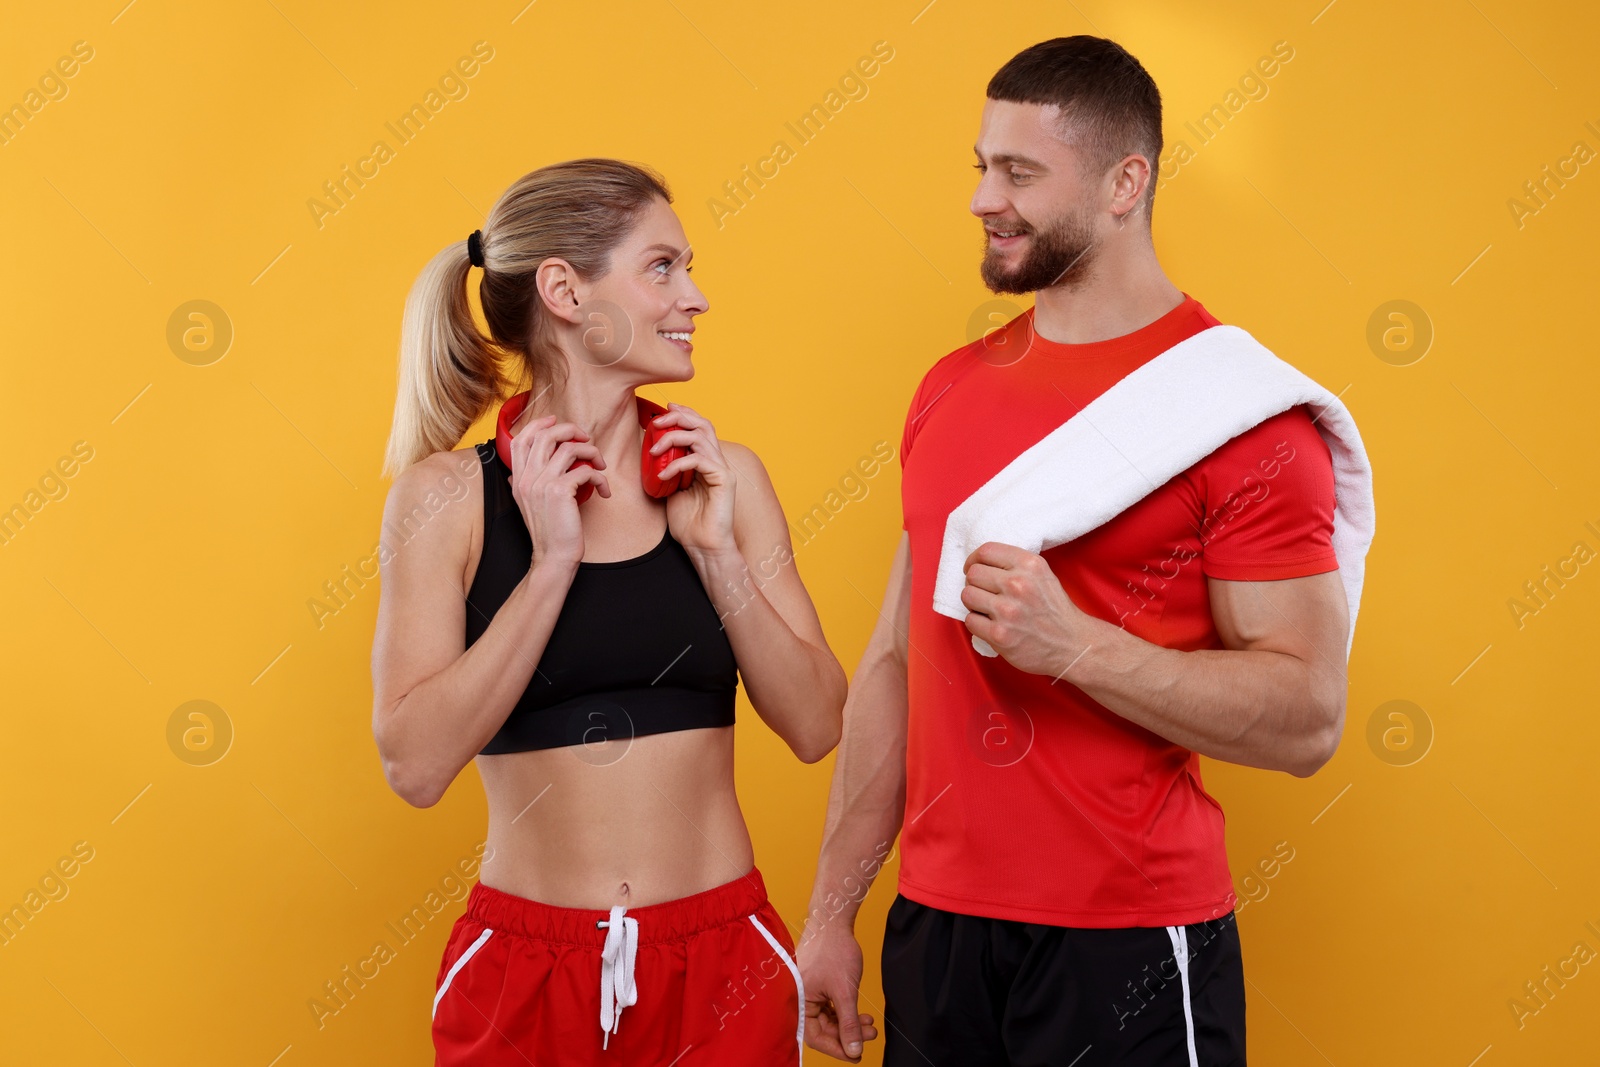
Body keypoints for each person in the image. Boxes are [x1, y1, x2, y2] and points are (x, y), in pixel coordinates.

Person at [799, 36, 1372, 1066]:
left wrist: (1076, 645)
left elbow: (1307, 717)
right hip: (936, 933)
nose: (983, 197)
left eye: (1019, 172)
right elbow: (893, 662)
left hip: (1128, 938)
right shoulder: (949, 388)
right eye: (979, 166)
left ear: (1125, 181)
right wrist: (831, 911)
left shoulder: (1239, 418)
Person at [371, 157, 848, 1065]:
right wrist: (550, 562)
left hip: (723, 959)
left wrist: (716, 553)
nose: (695, 297)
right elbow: (414, 763)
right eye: (662, 267)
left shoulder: (725, 477)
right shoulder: (444, 500)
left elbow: (819, 722)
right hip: (526, 969)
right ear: (564, 290)